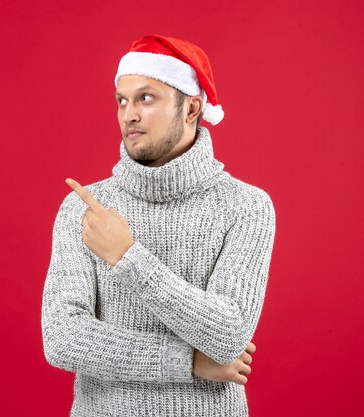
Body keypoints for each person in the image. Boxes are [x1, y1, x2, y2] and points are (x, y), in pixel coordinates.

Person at [41, 34, 276, 417]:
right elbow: (64, 338)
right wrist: (187, 362)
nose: (128, 114)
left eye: (146, 98)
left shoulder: (245, 206)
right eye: (122, 100)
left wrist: (127, 256)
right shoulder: (85, 208)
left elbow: (228, 335)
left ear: (191, 109)